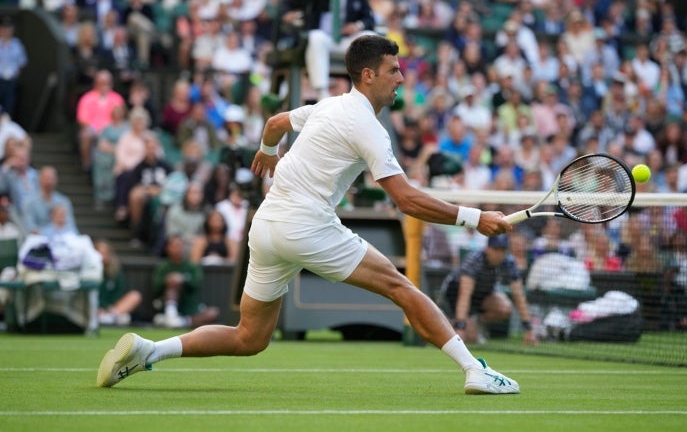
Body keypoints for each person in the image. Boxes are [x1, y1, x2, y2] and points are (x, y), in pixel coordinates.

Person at [96, 35, 519, 395]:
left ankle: (151, 351)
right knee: (402, 287)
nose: (401, 79)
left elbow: (277, 122)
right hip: (307, 226)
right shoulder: (367, 126)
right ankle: (475, 370)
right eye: (393, 70)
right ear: (368, 75)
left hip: (266, 227)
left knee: (250, 337)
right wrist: (474, 218)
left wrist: (265, 154)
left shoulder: (327, 106)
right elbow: (406, 201)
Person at [284, 0, 375, 100]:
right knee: (316, 37)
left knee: (370, 37)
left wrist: (357, 25)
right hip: (322, 38)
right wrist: (289, 14)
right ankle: (322, 94)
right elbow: (287, 5)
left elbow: (369, 18)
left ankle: (366, 93)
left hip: (346, 41)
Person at [440, 234, 539, 346]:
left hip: (481, 297)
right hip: (454, 297)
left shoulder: (508, 263)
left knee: (504, 308)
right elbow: (464, 295)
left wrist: (529, 329)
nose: (499, 254)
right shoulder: (474, 260)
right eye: (496, 249)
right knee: (467, 339)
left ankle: (476, 322)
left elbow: (519, 296)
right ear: (488, 248)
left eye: (502, 250)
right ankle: (453, 323)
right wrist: (460, 326)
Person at [151, 234, 220, 328]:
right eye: (174, 246)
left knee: (213, 313)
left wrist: (183, 279)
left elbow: (196, 283)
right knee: (172, 285)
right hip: (166, 306)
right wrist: (167, 281)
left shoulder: (192, 266)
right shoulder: (162, 267)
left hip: (190, 309)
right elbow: (155, 287)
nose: (177, 249)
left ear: (183, 247)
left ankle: (179, 322)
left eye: (179, 245)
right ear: (167, 248)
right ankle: (171, 315)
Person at [96, 239, 142, 327]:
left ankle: (110, 317)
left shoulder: (116, 273)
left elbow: (119, 294)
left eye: (105, 253)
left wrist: (109, 308)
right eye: (100, 253)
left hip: (112, 309)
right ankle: (107, 317)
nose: (103, 256)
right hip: (96, 309)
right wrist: (100, 307)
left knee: (135, 295)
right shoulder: (91, 272)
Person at [0, 16, 28, 119]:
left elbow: (21, 63)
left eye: (8, 28)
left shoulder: (17, 44)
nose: (6, 31)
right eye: (4, 28)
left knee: (9, 108)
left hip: (11, 81)